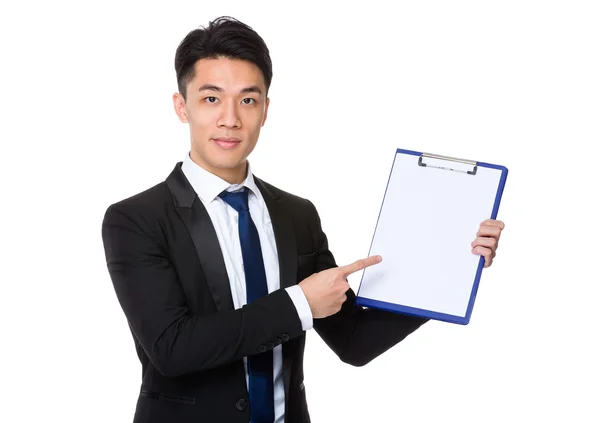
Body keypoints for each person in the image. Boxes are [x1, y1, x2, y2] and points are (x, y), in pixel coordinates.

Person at [101, 16, 505, 423]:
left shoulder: (296, 215)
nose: (230, 119)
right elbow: (173, 349)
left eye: (247, 100)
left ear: (265, 110)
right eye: (211, 99)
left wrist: (452, 268)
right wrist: (299, 304)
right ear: (181, 106)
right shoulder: (135, 220)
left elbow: (354, 341)